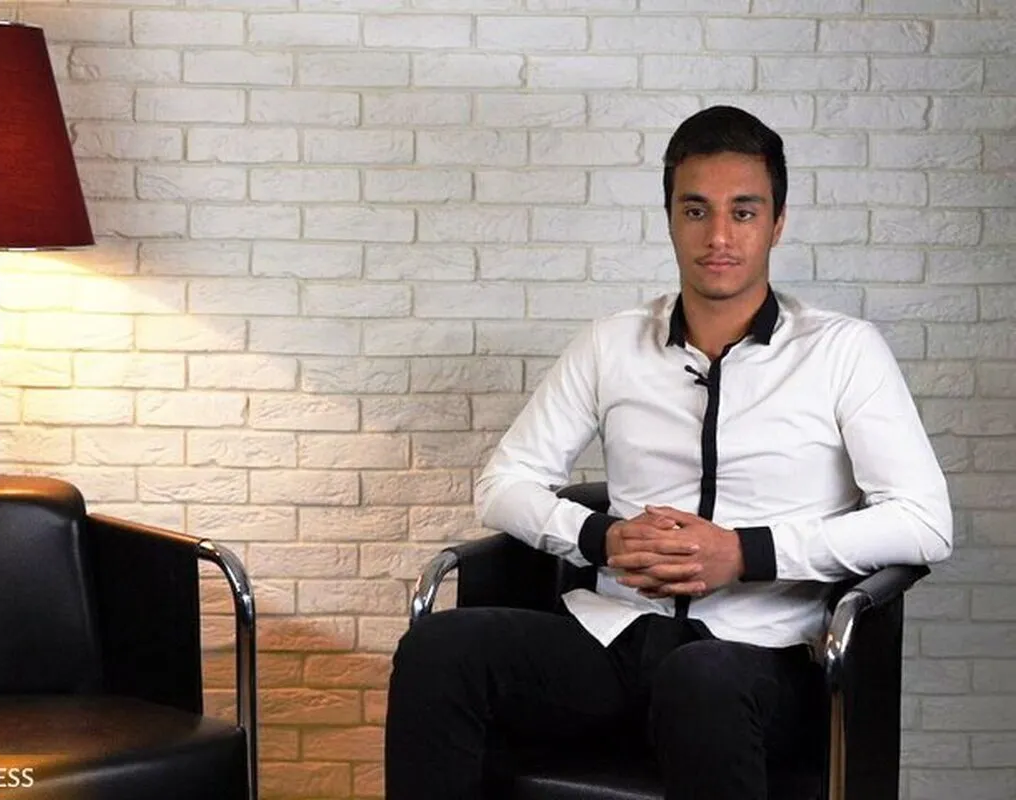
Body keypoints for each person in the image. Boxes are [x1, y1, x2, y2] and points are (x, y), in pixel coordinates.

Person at [383, 105, 953, 800]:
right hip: (616, 640)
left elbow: (924, 521)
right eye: (696, 210)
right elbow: (505, 483)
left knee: (700, 678)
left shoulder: (844, 351)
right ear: (670, 219)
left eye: (744, 212)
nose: (719, 236)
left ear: (777, 223)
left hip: (760, 657)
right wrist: (600, 537)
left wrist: (745, 552)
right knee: (440, 648)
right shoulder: (611, 342)